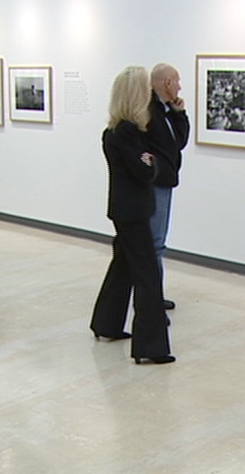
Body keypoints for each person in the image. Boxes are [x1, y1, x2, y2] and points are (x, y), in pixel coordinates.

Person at [90, 66, 174, 365]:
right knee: (147, 275)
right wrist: (150, 164)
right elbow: (142, 170)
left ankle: (106, 324)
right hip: (134, 211)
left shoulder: (114, 130)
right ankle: (150, 347)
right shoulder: (127, 131)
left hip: (124, 209)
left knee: (123, 267)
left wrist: (146, 160)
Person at [146, 63, 190, 310]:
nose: (180, 86)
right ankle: (151, 298)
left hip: (165, 181)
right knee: (154, 243)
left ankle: (153, 295)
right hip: (155, 184)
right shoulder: (149, 111)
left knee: (157, 242)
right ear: (167, 83)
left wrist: (179, 113)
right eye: (177, 80)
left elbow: (179, 143)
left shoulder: (165, 111)